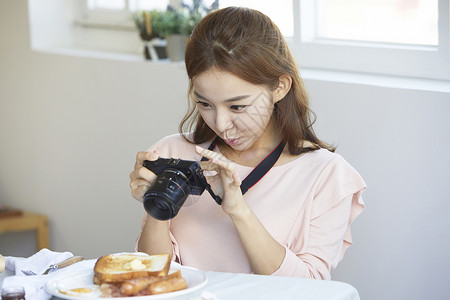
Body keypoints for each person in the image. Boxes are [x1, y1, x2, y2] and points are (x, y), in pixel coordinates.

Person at [129, 7, 366, 279]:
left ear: (280, 87)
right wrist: (156, 206)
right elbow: (151, 277)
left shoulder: (327, 175)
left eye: (238, 107)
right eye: (204, 103)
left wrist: (239, 210)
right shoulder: (172, 152)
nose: (220, 123)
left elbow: (307, 289)